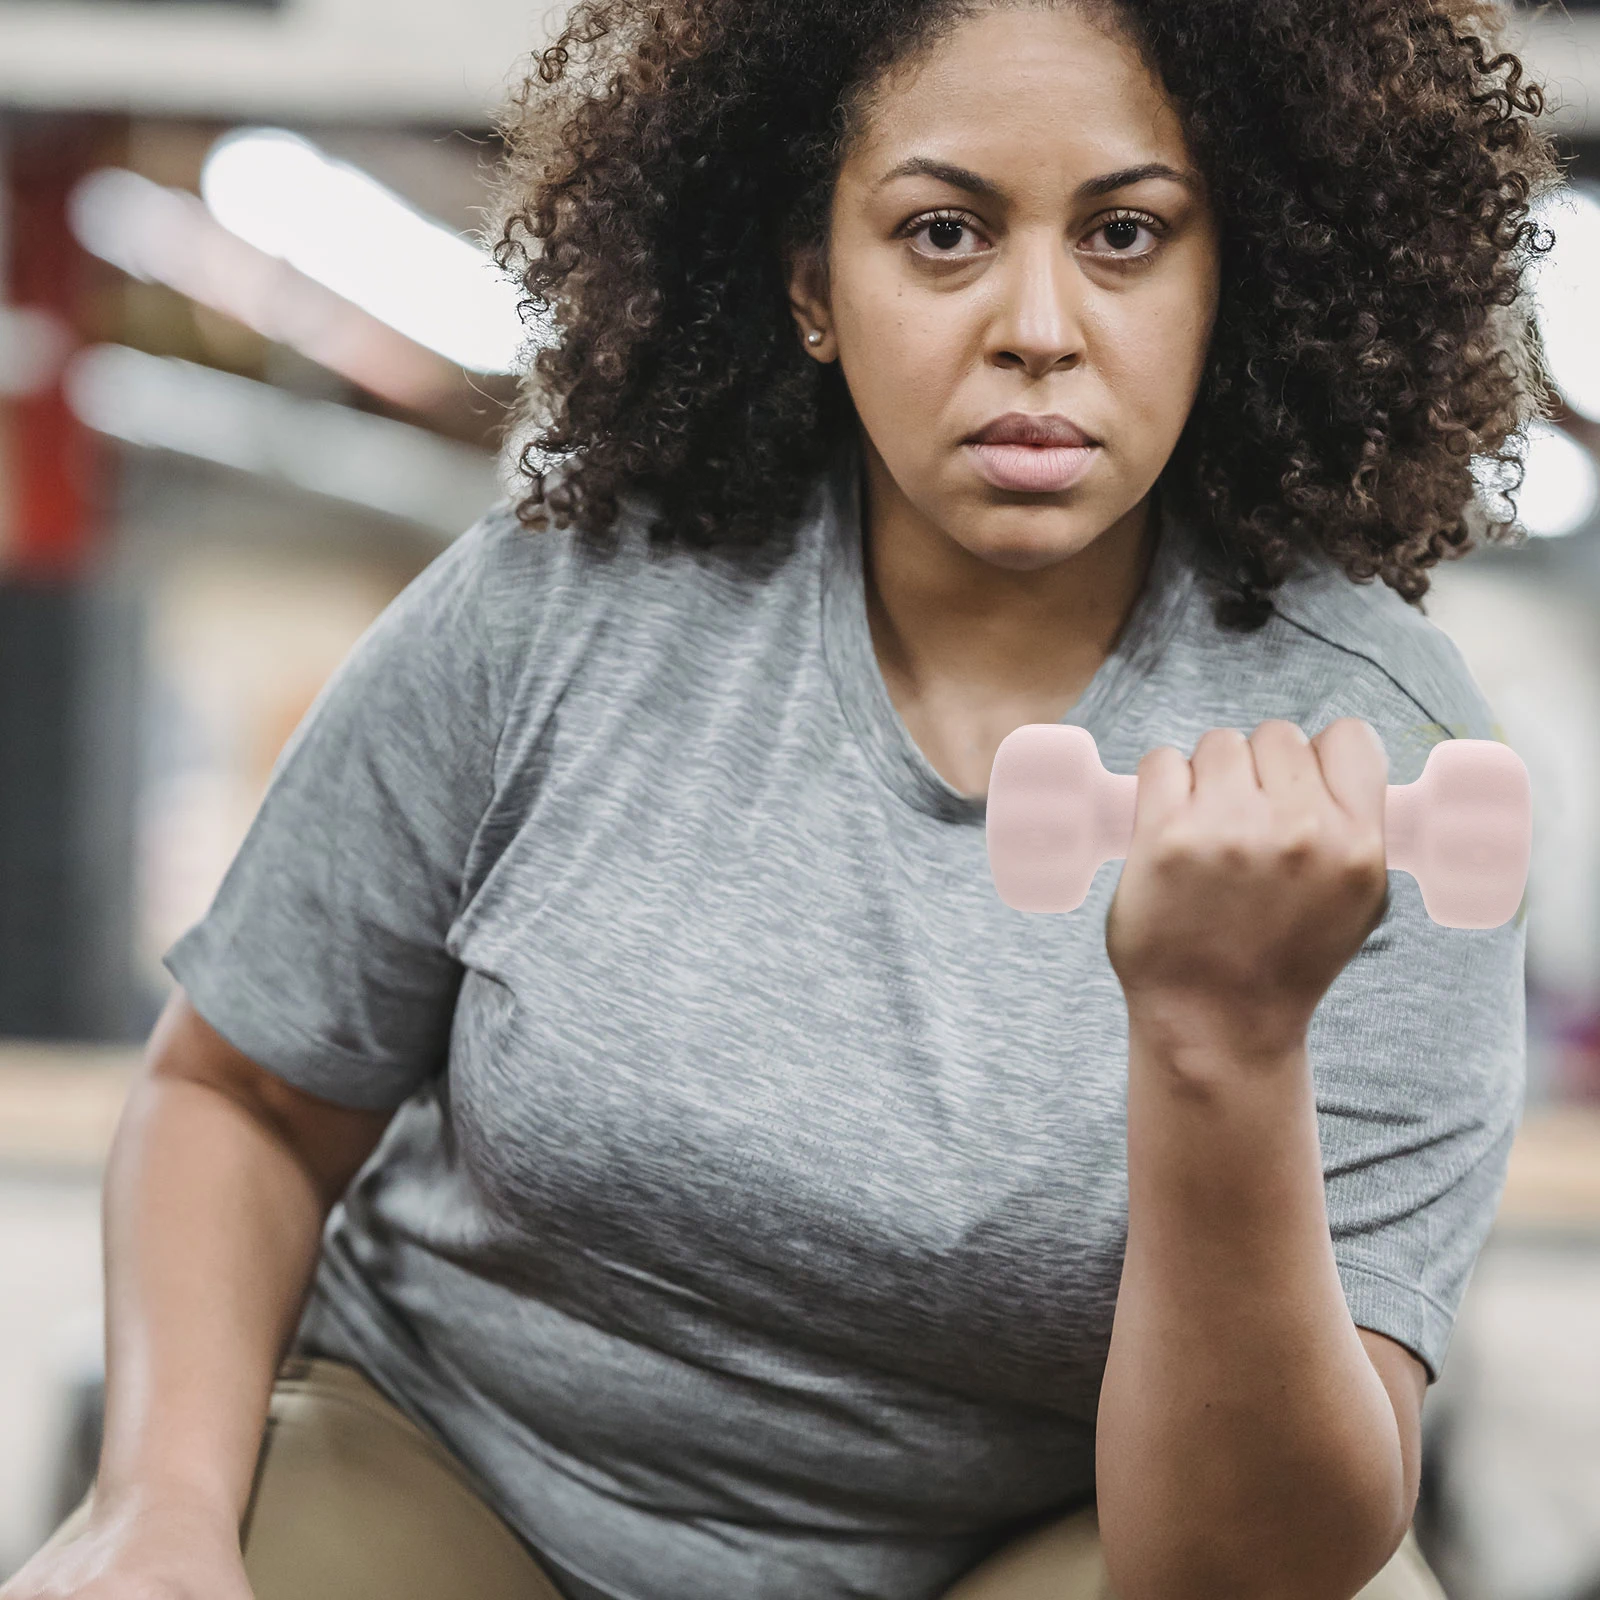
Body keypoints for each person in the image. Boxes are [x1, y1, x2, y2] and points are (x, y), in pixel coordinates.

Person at [4, 0, 1554, 1597]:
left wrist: (1223, 1037)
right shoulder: (562, 600)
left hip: (1014, 1547)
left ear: (1233, 276)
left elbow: (1255, 1566)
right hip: (462, 1471)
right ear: (815, 285)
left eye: (1129, 234)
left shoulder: (1385, 758)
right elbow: (240, 1098)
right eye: (944, 233)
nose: (1038, 323)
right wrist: (160, 1507)